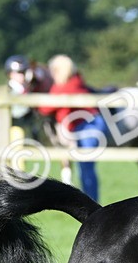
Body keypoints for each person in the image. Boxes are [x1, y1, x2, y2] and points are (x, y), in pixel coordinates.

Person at [40, 55, 106, 202]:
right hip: (85, 125)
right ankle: (91, 203)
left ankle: (92, 203)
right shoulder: (73, 82)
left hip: (88, 126)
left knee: (86, 167)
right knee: (85, 167)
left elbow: (45, 108)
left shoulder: (68, 86)